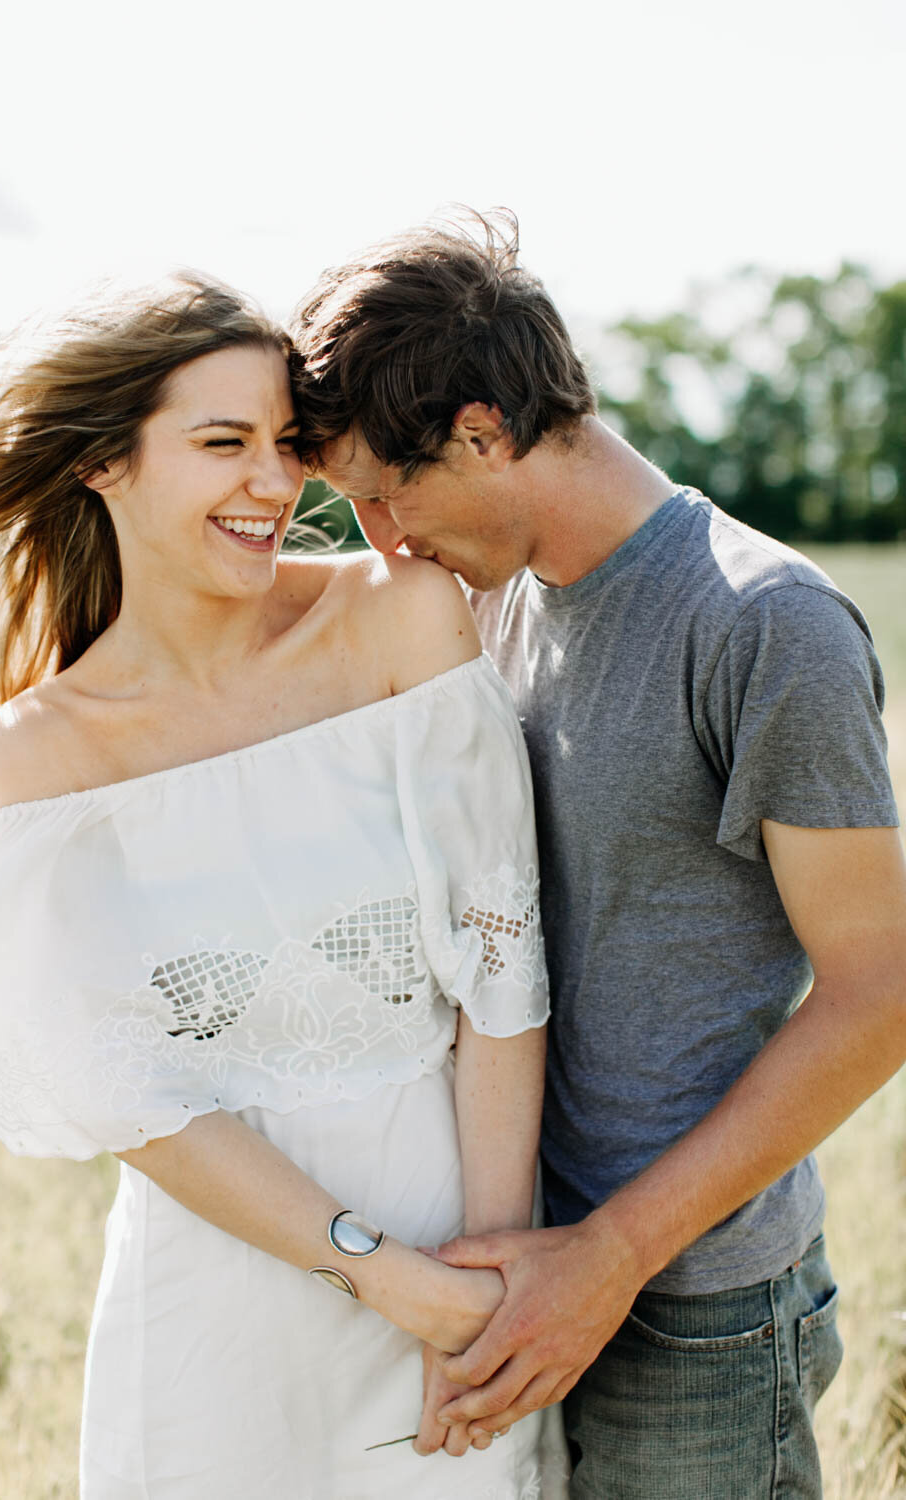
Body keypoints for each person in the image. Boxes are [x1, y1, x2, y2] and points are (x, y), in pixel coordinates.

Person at [0, 271, 569, 1499]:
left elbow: (499, 973)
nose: (274, 484)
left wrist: (486, 1281)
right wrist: (383, 1278)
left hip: (464, 1247)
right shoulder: (36, 754)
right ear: (104, 463)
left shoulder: (401, 621)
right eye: (223, 444)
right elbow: (138, 1099)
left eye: (285, 443)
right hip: (215, 1301)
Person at [290, 210, 906, 1499]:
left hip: (696, 1313)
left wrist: (613, 1254)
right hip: (525, 1269)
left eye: (387, 499)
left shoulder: (762, 625)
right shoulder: (495, 601)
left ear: (483, 430)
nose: (384, 545)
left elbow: (880, 993)